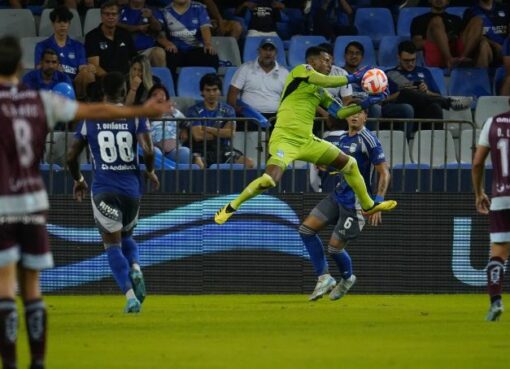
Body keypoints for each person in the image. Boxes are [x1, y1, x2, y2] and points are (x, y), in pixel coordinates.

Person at [0, 35, 169, 369]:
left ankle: (9, 362)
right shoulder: (38, 102)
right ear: (22, 67)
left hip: (8, 200)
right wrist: (140, 111)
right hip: (38, 200)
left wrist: (78, 180)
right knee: (33, 287)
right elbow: (96, 112)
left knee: (7, 284)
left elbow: (72, 154)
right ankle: (37, 361)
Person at [214, 46, 397, 225]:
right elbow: (327, 81)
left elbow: (340, 113)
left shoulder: (319, 91)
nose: (329, 65)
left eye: (331, 62)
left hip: (307, 141)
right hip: (284, 139)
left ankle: (368, 205)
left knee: (350, 164)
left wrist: (367, 103)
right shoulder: (301, 71)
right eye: (325, 60)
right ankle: (231, 207)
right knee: (269, 180)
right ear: (312, 61)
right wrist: (352, 77)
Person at [67, 72, 159, 315]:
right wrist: (149, 171)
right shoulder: (134, 116)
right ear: (124, 89)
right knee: (127, 236)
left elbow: (70, 156)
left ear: (102, 92)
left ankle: (130, 298)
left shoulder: (91, 118)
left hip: (104, 190)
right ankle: (136, 268)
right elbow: (149, 151)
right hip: (132, 190)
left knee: (112, 245)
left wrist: (78, 179)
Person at [301, 109, 390, 301]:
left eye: (360, 113)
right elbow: (341, 166)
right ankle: (324, 277)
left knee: (334, 248)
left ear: (366, 117)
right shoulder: (342, 138)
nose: (355, 116)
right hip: (338, 195)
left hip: (356, 203)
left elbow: (384, 172)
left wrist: (378, 203)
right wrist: (325, 165)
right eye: (352, 112)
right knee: (306, 230)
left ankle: (347, 278)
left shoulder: (369, 140)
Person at [386, 41, 472, 138]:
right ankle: (449, 103)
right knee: (406, 92)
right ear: (398, 57)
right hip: (402, 115)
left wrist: (426, 91)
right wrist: (400, 93)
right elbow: (383, 100)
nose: (410, 63)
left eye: (413, 60)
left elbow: (437, 96)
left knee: (435, 106)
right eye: (406, 61)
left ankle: (438, 142)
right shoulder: (390, 74)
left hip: (421, 116)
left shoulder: (424, 72)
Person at [472, 107, 510, 321]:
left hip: (501, 197)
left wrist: (479, 193)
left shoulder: (493, 122)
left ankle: (496, 301)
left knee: (498, 253)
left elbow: (477, 163)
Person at [342, 41, 414, 131]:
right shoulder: (340, 74)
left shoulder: (369, 74)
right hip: (354, 106)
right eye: (351, 53)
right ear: (345, 56)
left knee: (407, 109)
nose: (354, 56)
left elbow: (383, 95)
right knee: (375, 109)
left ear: (362, 57)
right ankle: (369, 141)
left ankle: (406, 143)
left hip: (374, 104)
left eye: (357, 53)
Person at [188, 73, 254, 168]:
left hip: (223, 149)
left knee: (249, 163)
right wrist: (221, 133)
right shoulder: (194, 110)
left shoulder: (228, 110)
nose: (211, 94)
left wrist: (207, 129)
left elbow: (230, 133)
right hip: (201, 149)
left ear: (220, 91)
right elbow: (198, 135)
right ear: (202, 92)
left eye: (215, 90)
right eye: (208, 90)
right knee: (198, 164)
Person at [34, 5, 96, 100]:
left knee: (88, 74)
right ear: (53, 23)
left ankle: (79, 102)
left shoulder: (78, 46)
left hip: (74, 85)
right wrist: (52, 68)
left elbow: (81, 66)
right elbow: (38, 68)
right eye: (59, 22)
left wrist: (88, 68)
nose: (62, 25)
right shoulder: (42, 46)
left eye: (65, 22)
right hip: (52, 84)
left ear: (69, 23)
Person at [227, 38, 289, 125]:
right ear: (258, 51)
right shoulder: (245, 68)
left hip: (276, 118)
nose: (268, 53)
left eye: (271, 50)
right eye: (265, 49)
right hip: (249, 117)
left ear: (276, 53)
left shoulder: (284, 73)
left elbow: (289, 97)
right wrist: (234, 110)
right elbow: (233, 91)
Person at [157, 0, 219, 77]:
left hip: (195, 49)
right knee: (169, 57)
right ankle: (171, 87)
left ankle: (210, 86)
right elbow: (159, 35)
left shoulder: (199, 8)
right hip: (176, 50)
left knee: (211, 55)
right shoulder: (164, 11)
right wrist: (167, 43)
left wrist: (207, 44)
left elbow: (205, 28)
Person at [411, 0, 470, 69]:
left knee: (477, 21)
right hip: (434, 53)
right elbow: (416, 44)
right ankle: (449, 59)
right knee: (437, 20)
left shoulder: (456, 19)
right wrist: (440, 40)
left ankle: (464, 58)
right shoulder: (419, 19)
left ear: (448, 1)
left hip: (455, 51)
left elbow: (463, 40)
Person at [85, 0, 137, 77]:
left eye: (114, 14)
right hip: (104, 80)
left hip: (126, 79)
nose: (110, 17)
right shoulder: (92, 37)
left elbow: (133, 60)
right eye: (107, 14)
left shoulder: (125, 34)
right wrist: (111, 81)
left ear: (118, 16)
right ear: (101, 16)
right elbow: (94, 66)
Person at [147, 83, 194, 164]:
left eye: (162, 95)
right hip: (156, 149)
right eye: (155, 95)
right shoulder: (146, 113)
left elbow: (187, 122)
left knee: (186, 152)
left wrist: (184, 129)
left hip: (174, 150)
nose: (159, 97)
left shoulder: (173, 111)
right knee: (154, 151)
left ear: (167, 98)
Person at [117, 0, 167, 67]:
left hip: (146, 53)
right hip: (124, 52)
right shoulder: (120, 10)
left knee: (159, 52)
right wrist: (137, 28)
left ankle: (159, 77)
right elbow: (113, 24)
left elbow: (158, 28)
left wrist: (151, 17)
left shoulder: (153, 10)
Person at [462, 0, 509, 67]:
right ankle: (481, 76)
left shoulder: (505, 8)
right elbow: (467, 38)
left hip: (505, 49)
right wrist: (494, 44)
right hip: (486, 48)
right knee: (483, 45)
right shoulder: (470, 12)